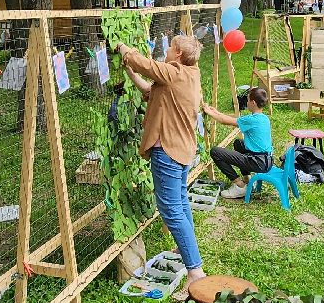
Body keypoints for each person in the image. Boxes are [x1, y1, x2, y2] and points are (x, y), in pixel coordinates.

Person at [115, 35, 207, 282]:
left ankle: (195, 271)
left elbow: (148, 66)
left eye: (170, 47)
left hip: (168, 149)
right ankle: (188, 250)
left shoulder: (174, 73)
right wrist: (131, 74)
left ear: (177, 55)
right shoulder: (189, 75)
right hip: (183, 148)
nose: (166, 50)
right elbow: (150, 90)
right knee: (179, 201)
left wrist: (125, 48)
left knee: (170, 209)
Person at [202, 88, 274, 200]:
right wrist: (216, 112)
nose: (247, 102)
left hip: (257, 162)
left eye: (248, 99)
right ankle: (247, 179)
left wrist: (209, 112)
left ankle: (239, 186)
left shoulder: (251, 120)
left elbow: (225, 121)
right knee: (238, 143)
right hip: (266, 160)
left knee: (215, 152)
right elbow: (231, 118)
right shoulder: (263, 118)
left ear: (253, 103)